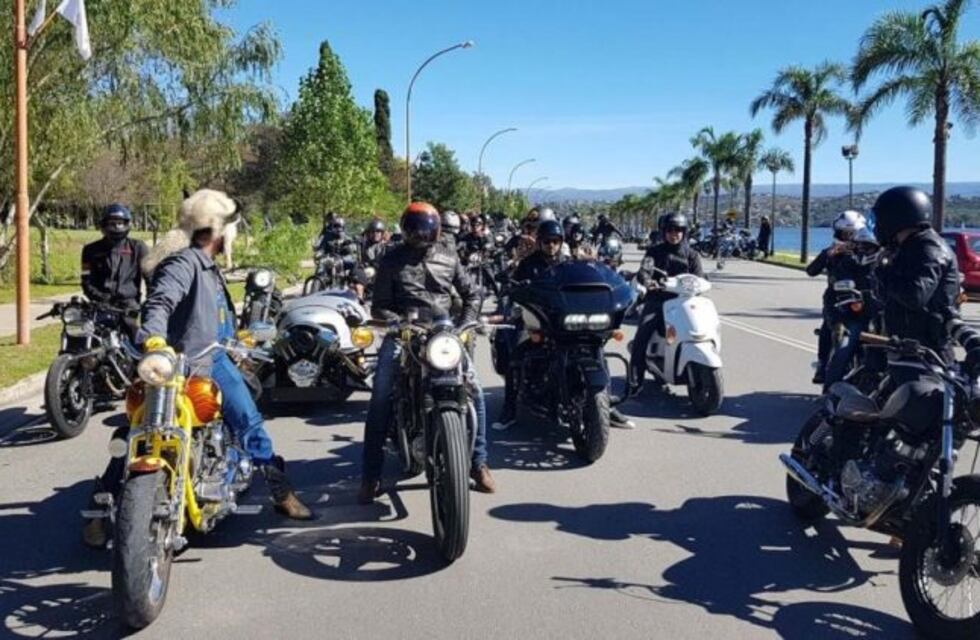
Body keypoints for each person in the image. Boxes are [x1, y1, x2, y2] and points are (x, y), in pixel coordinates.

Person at [82, 190, 311, 548]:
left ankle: (99, 515)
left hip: (211, 356)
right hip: (189, 365)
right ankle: (282, 495)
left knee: (138, 431)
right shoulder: (184, 263)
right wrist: (154, 339)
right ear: (220, 231)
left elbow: (211, 319)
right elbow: (159, 303)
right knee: (239, 426)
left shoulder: (207, 266)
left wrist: (239, 341)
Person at [360, 202, 495, 504]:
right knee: (381, 395)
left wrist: (466, 323)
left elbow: (472, 292)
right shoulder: (391, 260)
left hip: (444, 335)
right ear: (406, 230)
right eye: (417, 229)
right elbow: (379, 304)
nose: (423, 234)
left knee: (474, 390)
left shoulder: (449, 256)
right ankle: (371, 475)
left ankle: (478, 463)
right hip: (405, 334)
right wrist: (396, 322)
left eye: (428, 229)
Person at [495, 220, 634, 430]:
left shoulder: (569, 262)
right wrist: (513, 286)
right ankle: (510, 408)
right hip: (542, 319)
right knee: (517, 355)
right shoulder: (528, 264)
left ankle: (605, 406)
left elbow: (585, 279)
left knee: (598, 353)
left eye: (556, 241)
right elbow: (516, 285)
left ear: (561, 242)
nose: (551, 245)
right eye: (547, 241)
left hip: (569, 319)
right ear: (539, 242)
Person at [871, 187, 960, 361]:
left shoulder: (929, 249)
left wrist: (884, 270)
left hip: (927, 350)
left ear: (893, 219)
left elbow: (914, 295)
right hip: (906, 343)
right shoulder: (909, 247)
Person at [630, 212, 703, 391]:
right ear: (664, 231)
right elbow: (644, 271)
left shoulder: (691, 255)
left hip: (684, 302)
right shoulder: (654, 252)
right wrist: (648, 281)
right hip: (658, 301)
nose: (674, 233)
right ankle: (634, 381)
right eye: (670, 230)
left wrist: (701, 284)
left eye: (678, 230)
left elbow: (699, 277)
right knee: (642, 335)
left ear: (684, 232)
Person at [805, 210, 866, 385]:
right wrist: (829, 255)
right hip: (836, 299)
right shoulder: (831, 251)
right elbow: (811, 270)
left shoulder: (868, 251)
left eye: (852, 234)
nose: (849, 238)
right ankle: (823, 365)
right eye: (845, 234)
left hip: (864, 299)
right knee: (829, 327)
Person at [80, 204, 148, 339]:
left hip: (128, 306)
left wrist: (150, 307)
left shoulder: (138, 247)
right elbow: (86, 280)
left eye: (120, 223)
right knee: (87, 339)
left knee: (137, 344)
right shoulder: (90, 250)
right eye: (112, 223)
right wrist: (99, 297)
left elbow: (151, 279)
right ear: (104, 225)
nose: (117, 227)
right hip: (100, 305)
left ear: (127, 224)